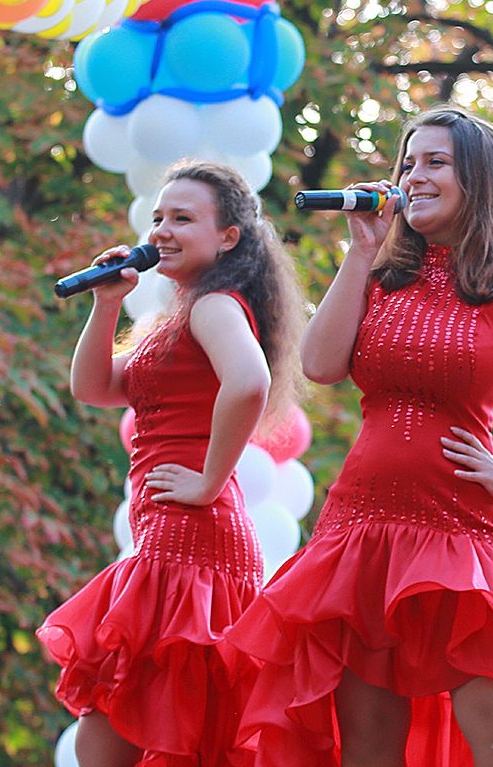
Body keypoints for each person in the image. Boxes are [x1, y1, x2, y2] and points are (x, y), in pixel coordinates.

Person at [225, 105, 493, 767]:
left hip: (458, 536)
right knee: (367, 744)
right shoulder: (381, 276)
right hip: (359, 534)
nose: (413, 176)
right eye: (407, 162)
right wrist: (362, 250)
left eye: (434, 162)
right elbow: (321, 366)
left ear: (478, 180)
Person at [37, 161, 305, 767]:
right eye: (159, 216)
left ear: (228, 237)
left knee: (112, 730)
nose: (161, 229)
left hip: (189, 536)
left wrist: (209, 481)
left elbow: (249, 382)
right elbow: (96, 387)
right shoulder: (177, 316)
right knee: (154, 726)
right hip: (175, 534)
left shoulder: (213, 305)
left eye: (183, 218)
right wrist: (107, 302)